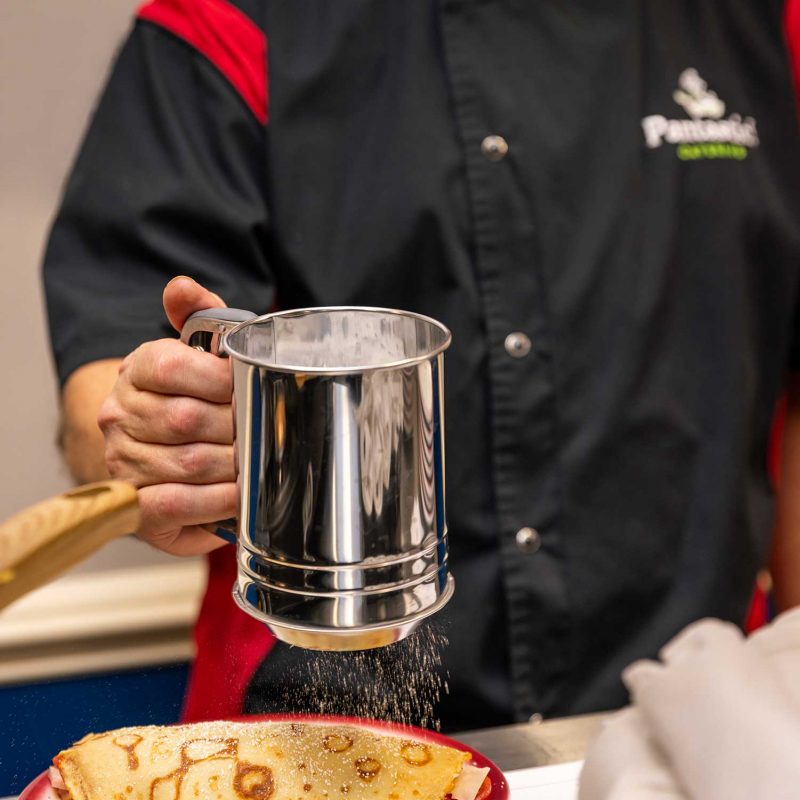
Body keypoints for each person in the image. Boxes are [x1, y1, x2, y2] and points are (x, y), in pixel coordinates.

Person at [43, 0, 800, 731]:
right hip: (303, 734)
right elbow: (105, 386)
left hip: (684, 729)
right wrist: (155, 437)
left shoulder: (768, 21)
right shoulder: (230, 21)